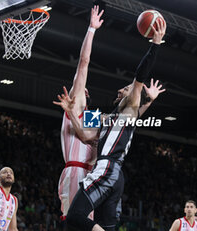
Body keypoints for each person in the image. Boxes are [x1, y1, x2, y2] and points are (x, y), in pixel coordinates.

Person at [55, 18, 166, 231]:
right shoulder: (103, 117)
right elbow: (90, 135)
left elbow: (85, 63)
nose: (120, 90)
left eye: (124, 89)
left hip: (103, 170)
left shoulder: (124, 107)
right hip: (111, 174)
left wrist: (155, 46)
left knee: (74, 220)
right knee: (102, 224)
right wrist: (149, 101)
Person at [52, 5, 104, 221]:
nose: (79, 86)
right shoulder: (74, 107)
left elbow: (97, 144)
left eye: (82, 88)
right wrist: (91, 30)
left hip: (89, 173)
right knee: (76, 221)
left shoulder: (92, 115)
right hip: (75, 172)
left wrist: (91, 30)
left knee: (86, 222)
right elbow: (82, 65)